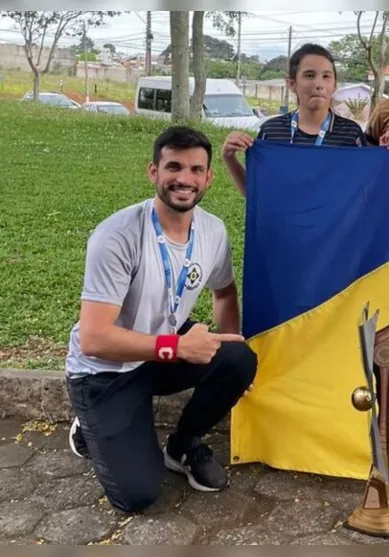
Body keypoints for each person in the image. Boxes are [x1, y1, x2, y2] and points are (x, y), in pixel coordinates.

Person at [64, 126, 258, 513]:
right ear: (153, 172)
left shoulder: (213, 231)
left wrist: (228, 339)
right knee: (139, 495)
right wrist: (177, 346)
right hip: (105, 371)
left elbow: (224, 292)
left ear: (208, 178)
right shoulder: (117, 235)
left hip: (162, 349)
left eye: (195, 170)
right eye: (174, 167)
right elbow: (95, 338)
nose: (184, 179)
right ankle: (89, 424)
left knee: (239, 359)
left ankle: (182, 445)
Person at [222, 43, 366, 195]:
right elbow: (256, 194)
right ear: (291, 83)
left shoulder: (351, 134)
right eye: (309, 75)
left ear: (334, 85)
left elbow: (363, 191)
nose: (319, 84)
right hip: (282, 219)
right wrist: (229, 157)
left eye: (326, 76)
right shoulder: (271, 132)